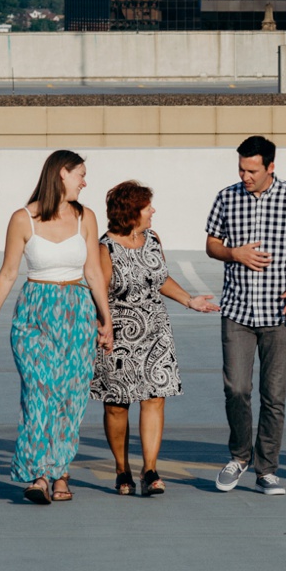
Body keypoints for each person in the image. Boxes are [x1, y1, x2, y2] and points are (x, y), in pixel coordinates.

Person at [0, 149, 114, 505]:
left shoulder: (86, 217)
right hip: (34, 313)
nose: (85, 181)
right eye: (80, 174)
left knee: (71, 397)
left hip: (77, 312)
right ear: (62, 174)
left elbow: (95, 273)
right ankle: (38, 474)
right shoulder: (23, 219)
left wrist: (106, 319)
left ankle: (61, 471)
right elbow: (8, 273)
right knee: (39, 394)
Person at [205, 134, 286, 496]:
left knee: (274, 395)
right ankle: (240, 456)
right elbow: (211, 244)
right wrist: (233, 253)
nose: (245, 175)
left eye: (252, 169)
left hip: (280, 311)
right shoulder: (227, 197)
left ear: (270, 167)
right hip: (237, 310)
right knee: (236, 388)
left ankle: (266, 469)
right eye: (241, 168)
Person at [92, 179, 219, 497]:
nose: (153, 211)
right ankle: (122, 471)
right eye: (148, 206)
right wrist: (103, 328)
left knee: (154, 398)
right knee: (117, 405)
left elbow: (160, 278)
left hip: (155, 330)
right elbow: (99, 292)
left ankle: (150, 470)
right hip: (118, 331)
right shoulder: (104, 247)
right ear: (132, 210)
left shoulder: (152, 238)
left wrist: (190, 301)